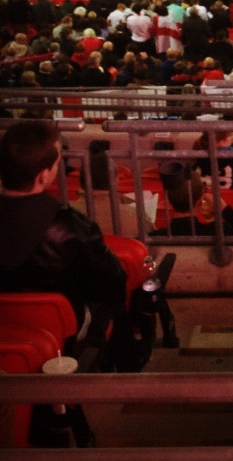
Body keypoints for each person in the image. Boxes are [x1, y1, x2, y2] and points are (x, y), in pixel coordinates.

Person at [0, 121, 144, 370]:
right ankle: (127, 363)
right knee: (115, 302)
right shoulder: (70, 226)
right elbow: (112, 281)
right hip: (64, 329)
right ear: (43, 175)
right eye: (57, 164)